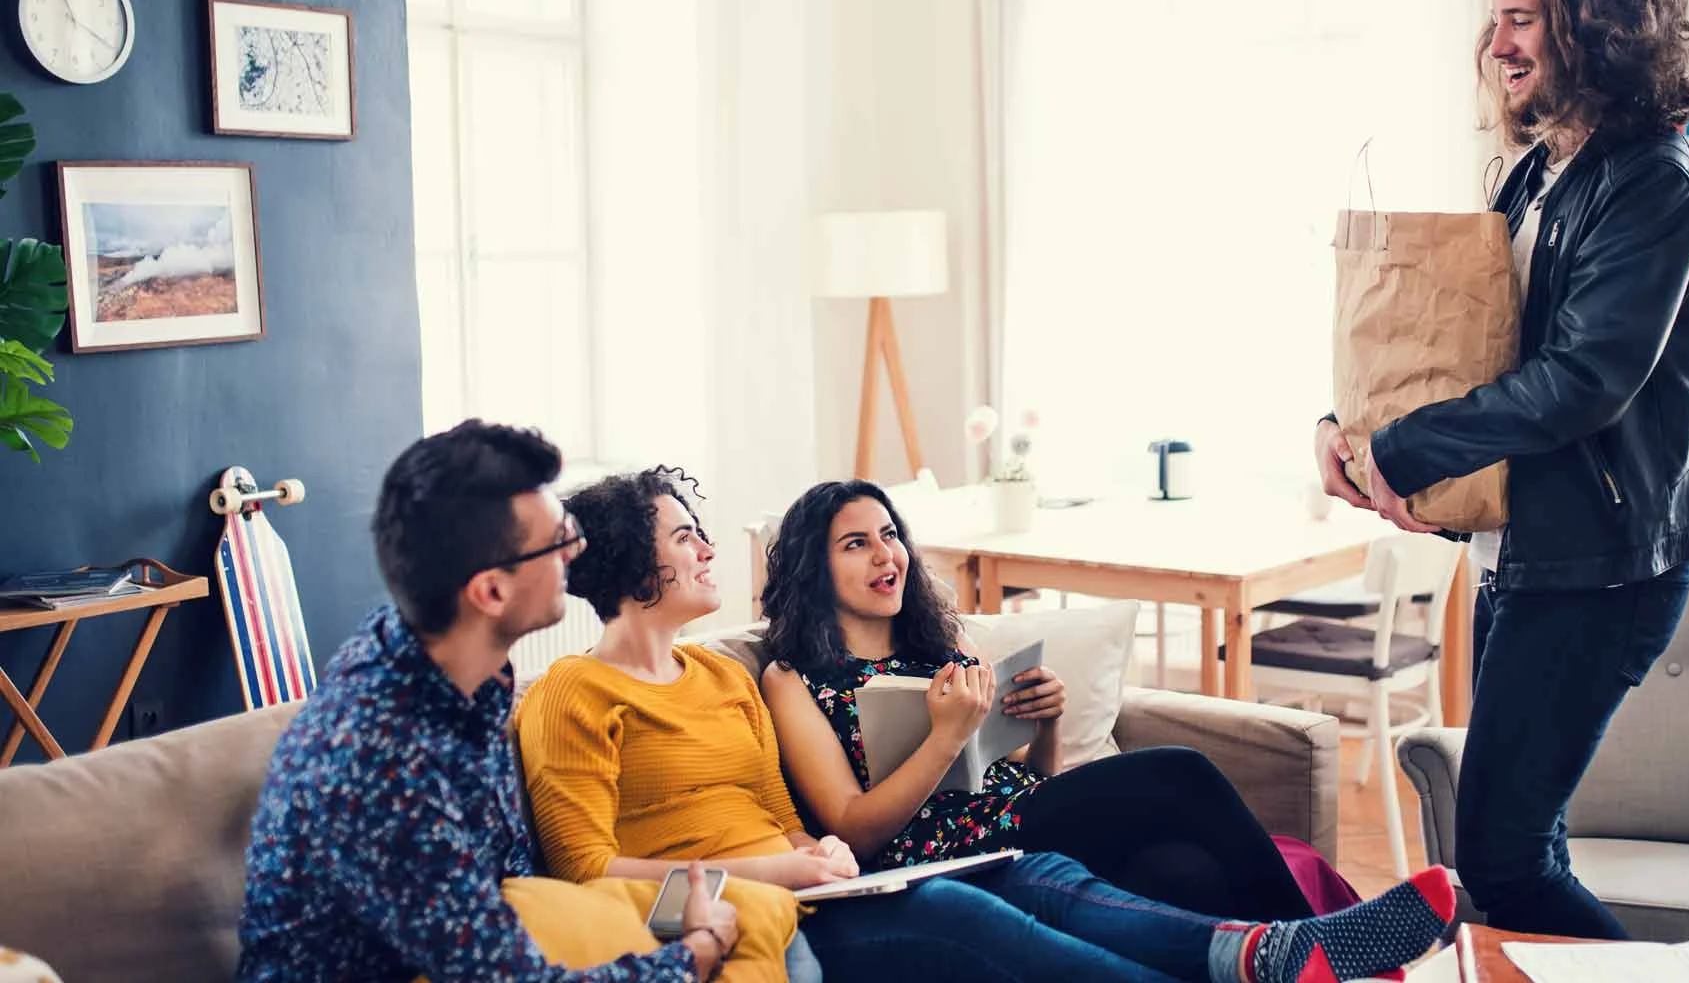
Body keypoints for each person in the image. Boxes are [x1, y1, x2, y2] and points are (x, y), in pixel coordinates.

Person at [518, 468, 1459, 983]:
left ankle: (1280, 953)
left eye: (890, 537)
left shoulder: (722, 679)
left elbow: (788, 818)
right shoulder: (577, 693)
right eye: (685, 535)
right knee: (1096, 829)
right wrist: (802, 860)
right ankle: (1294, 950)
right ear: (630, 563)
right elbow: (581, 868)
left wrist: (815, 852)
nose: (708, 546)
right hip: (798, 892)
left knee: (1117, 872)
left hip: (852, 876)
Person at [1313, 0, 1689, 941]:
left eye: (1526, 21)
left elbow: (1582, 381)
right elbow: (1474, 353)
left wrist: (1398, 451)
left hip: (1604, 568)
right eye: (1494, 20)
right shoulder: (1539, 170)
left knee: (1495, 857)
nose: (1498, 45)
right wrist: (1348, 423)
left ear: (1600, 28)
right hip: (1528, 552)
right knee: (1524, 847)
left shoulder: (1654, 181)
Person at [236, 421, 776, 982]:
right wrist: (697, 950)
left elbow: (513, 901)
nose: (580, 548)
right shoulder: (385, 762)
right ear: (491, 591)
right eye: (559, 541)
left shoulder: (455, 670)